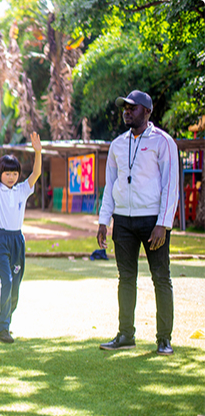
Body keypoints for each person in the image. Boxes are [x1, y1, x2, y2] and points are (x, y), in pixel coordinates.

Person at [96, 90, 178, 356]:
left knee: (161, 278)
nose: (126, 111)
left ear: (147, 112)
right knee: (126, 278)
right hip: (123, 221)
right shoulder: (117, 145)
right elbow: (110, 185)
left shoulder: (162, 142)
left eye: (132, 108)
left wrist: (163, 224)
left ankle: (164, 339)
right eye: (124, 108)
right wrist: (103, 220)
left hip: (152, 221)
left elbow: (170, 186)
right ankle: (125, 335)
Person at [0, 122, 42, 343]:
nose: (11, 176)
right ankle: (1, 329)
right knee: (5, 281)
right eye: (7, 173)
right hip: (0, 240)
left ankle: (5, 321)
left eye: (14, 173)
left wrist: (38, 151)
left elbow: (36, 173)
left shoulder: (22, 190)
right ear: (1, 174)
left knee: (15, 286)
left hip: (18, 240)